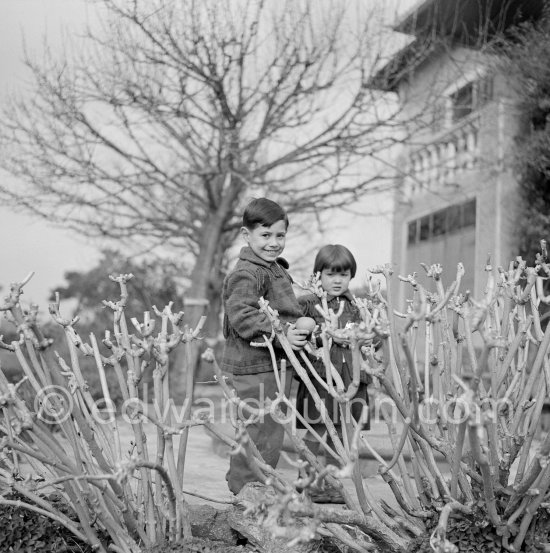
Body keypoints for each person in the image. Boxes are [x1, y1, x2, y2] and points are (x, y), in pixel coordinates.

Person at [221, 197, 309, 495]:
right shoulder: (249, 272)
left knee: (270, 431)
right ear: (247, 235)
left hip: (272, 363)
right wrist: (284, 331)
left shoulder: (273, 268)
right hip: (253, 366)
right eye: (265, 235)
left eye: (280, 235)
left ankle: (256, 487)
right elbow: (242, 315)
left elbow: (285, 308)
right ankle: (245, 491)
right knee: (258, 430)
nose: (273, 242)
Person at [295, 244, 371, 501]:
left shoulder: (359, 306)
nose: (337, 280)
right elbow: (297, 332)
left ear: (351, 276)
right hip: (320, 377)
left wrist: (366, 338)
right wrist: (319, 334)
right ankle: (307, 480)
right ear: (318, 275)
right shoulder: (308, 304)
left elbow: (373, 338)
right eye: (330, 274)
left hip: (351, 377)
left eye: (344, 274)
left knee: (341, 431)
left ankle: (333, 485)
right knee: (316, 428)